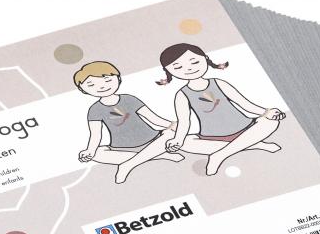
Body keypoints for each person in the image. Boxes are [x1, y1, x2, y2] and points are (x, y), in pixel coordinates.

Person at [156, 43, 285, 175]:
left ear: (205, 59)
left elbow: (244, 104)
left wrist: (266, 112)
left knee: (270, 122)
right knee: (184, 143)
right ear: (169, 71)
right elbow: (184, 122)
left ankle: (219, 155)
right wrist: (177, 140)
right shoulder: (182, 94)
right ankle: (253, 144)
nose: (189, 68)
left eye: (194, 62)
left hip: (246, 128)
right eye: (178, 67)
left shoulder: (218, 83)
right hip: (213, 138)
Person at [74, 61, 183, 183]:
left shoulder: (129, 99)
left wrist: (172, 124)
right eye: (91, 84)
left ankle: (127, 165)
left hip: (152, 139)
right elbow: (96, 135)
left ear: (118, 79)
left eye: (107, 80)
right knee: (97, 153)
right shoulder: (95, 110)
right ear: (83, 89)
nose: (102, 87)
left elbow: (153, 118)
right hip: (122, 148)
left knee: (170, 133)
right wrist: (89, 151)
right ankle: (158, 155)